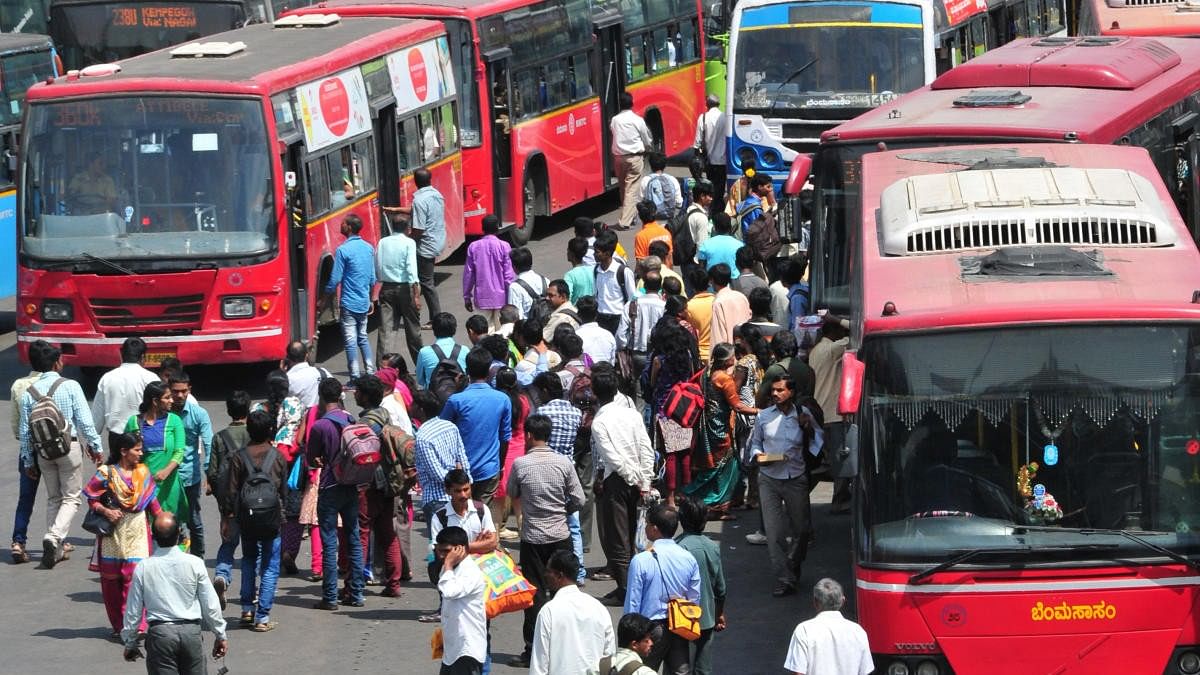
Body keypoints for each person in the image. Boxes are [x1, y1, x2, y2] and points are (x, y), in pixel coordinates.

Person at [506, 414, 586, 666]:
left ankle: (533, 649)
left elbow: (511, 493)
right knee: (564, 591)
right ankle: (567, 645)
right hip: (560, 536)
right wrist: (563, 509)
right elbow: (579, 499)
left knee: (535, 594)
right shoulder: (563, 463)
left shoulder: (520, 464)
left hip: (533, 538)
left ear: (529, 436)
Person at [18, 340, 105, 568]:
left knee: (54, 498)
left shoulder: (29, 393)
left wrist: (28, 459)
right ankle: (54, 537)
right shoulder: (71, 386)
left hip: (43, 452)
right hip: (69, 447)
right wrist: (96, 447)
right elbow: (85, 422)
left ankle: (55, 549)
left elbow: (26, 431)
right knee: (72, 498)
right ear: (57, 363)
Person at [120, 512, 228, 673]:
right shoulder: (195, 564)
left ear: (153, 536)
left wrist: (130, 642)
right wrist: (220, 635)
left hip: (160, 636)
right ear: (179, 534)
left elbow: (133, 610)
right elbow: (210, 604)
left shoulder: (143, 567)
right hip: (191, 634)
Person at [750, 376, 822, 597]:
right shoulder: (763, 416)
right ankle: (784, 578)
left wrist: (807, 428)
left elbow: (818, 441)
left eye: (780, 390)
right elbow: (755, 443)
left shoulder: (803, 414)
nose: (775, 394)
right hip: (769, 478)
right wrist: (758, 455)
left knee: (801, 531)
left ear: (790, 392)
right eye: (773, 390)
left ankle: (793, 563)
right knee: (775, 534)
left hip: (795, 477)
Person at [85, 432, 162, 637]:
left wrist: (164, 522)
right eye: (137, 449)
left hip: (137, 530)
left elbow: (152, 502)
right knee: (111, 583)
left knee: (135, 578)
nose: (141, 453)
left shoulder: (143, 473)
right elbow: (92, 499)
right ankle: (119, 627)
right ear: (123, 451)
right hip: (112, 534)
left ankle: (137, 626)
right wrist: (106, 511)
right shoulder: (105, 473)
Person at [591, 367, 655, 606]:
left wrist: (635, 478)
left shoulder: (600, 422)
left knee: (618, 539)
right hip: (635, 479)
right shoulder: (632, 414)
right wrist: (644, 480)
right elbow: (646, 449)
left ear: (596, 393)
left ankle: (628, 590)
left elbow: (613, 459)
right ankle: (629, 587)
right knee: (630, 534)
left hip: (617, 481)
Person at [221, 409, 287, 631]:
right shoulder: (277, 456)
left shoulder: (239, 456)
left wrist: (228, 517)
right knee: (269, 565)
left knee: (248, 559)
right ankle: (263, 617)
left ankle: (247, 609)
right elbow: (284, 490)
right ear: (271, 430)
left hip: (246, 519)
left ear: (249, 430)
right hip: (271, 518)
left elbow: (231, 491)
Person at [306, 377, 365, 610]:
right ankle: (357, 593)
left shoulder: (320, 426)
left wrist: (321, 458)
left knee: (329, 541)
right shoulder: (349, 418)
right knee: (353, 537)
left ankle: (330, 597)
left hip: (330, 487)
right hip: (350, 484)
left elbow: (312, 458)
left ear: (321, 397)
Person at [624, 503, 702, 674]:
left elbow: (633, 601)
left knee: (643, 671)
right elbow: (694, 598)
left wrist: (629, 637)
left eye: (647, 524)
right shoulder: (688, 558)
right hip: (680, 626)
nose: (645, 527)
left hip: (649, 630)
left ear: (654, 528)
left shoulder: (641, 560)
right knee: (680, 671)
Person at [348, 375, 406, 598]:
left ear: (363, 395)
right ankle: (393, 585)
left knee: (362, 533)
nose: (355, 394)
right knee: (387, 533)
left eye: (357, 391)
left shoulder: (365, 425)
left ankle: (356, 586)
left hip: (370, 484)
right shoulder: (384, 415)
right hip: (389, 483)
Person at [685, 343, 757, 520]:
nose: (735, 359)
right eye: (733, 356)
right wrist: (760, 411)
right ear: (728, 360)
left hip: (710, 425)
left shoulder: (708, 372)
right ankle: (704, 500)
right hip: (721, 429)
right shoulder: (725, 379)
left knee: (714, 468)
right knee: (727, 469)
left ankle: (714, 505)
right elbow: (738, 406)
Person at [440, 347, 513, 506]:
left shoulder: (456, 400)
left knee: (462, 517)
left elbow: (441, 430)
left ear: (466, 370)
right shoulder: (503, 399)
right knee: (481, 517)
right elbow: (505, 437)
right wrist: (499, 466)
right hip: (489, 470)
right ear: (489, 371)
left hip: (461, 473)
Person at [529, 550, 616, 675]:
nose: (545, 575)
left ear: (559, 575)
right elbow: (609, 655)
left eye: (548, 571)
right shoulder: (598, 608)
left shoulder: (549, 611)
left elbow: (539, 664)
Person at [126, 382, 188, 543]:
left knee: (169, 527)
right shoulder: (134, 422)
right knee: (145, 529)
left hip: (169, 486)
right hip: (143, 485)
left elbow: (179, 451)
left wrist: (167, 471)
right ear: (155, 401)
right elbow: (126, 452)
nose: (171, 401)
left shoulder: (174, 421)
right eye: (167, 398)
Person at [648, 318, 701, 507]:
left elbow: (653, 383)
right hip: (685, 408)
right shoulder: (687, 355)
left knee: (670, 454)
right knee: (685, 453)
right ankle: (684, 494)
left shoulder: (659, 360)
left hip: (665, 410)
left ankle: (669, 497)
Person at [207, 390, 252, 608]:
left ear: (228, 411)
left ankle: (222, 576)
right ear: (249, 409)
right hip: (254, 502)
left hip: (229, 503)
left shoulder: (219, 438)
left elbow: (213, 474)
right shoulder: (255, 434)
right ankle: (249, 592)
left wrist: (223, 508)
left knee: (228, 542)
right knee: (253, 551)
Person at [675, 496, 727, 675]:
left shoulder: (677, 547)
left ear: (681, 520)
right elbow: (720, 589)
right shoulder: (712, 546)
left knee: (679, 664)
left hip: (679, 617)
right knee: (702, 666)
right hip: (705, 615)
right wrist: (719, 613)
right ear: (705, 521)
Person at [323, 213, 378, 382]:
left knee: (350, 340)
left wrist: (323, 299)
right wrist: (369, 299)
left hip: (348, 303)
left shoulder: (342, 250)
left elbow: (335, 279)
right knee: (362, 337)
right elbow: (372, 278)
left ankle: (354, 376)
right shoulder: (368, 248)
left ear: (348, 227)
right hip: (363, 301)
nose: (341, 225)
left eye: (343, 223)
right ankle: (370, 372)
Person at [388, 167, 445, 324]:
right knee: (426, 281)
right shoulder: (436, 195)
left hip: (425, 246)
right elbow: (417, 211)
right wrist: (396, 209)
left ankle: (435, 319)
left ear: (415, 182)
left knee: (426, 283)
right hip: (437, 241)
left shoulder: (419, 200)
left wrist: (407, 241)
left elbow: (418, 229)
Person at [783, 579, 874, 675]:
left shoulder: (804, 630)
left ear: (815, 602)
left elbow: (798, 671)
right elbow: (865, 670)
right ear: (843, 601)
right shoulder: (858, 631)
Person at [412, 392, 471, 536]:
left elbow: (438, 474)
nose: (410, 406)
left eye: (413, 404)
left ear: (420, 409)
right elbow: (463, 459)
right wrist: (464, 486)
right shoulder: (450, 426)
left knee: (440, 548)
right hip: (458, 496)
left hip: (436, 500)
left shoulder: (423, 436)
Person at [169, 371, 213, 559]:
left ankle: (198, 560)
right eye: (175, 391)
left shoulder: (198, 414)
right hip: (167, 478)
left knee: (194, 520)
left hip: (190, 477)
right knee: (169, 520)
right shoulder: (164, 412)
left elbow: (209, 443)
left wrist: (209, 475)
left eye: (183, 391)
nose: (179, 395)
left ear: (189, 390)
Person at [810, 315, 851, 512]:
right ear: (833, 332)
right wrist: (841, 321)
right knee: (840, 460)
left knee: (826, 459)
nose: (844, 333)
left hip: (819, 412)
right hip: (833, 415)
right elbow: (858, 331)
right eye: (840, 331)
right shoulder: (833, 349)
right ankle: (839, 500)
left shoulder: (816, 350)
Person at [434, 526, 488, 675]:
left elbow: (449, 591)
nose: (441, 556)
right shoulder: (452, 567)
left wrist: (448, 564)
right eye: (439, 550)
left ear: (460, 549)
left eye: (446, 551)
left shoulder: (470, 572)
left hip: (466, 648)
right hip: (452, 646)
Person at [92, 337, 161, 450]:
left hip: (116, 439)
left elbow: (97, 416)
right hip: (143, 436)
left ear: (121, 354)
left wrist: (93, 442)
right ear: (143, 357)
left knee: (118, 468)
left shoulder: (107, 378)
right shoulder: (150, 378)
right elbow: (160, 409)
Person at [10, 357, 45, 564]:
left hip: (28, 450)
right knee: (57, 499)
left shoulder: (19, 385)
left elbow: (16, 424)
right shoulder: (60, 384)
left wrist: (25, 447)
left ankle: (18, 541)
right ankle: (56, 540)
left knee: (25, 499)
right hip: (53, 452)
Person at [376, 213, 423, 363]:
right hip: (405, 289)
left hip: (386, 288)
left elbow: (378, 265)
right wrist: (416, 295)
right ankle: (420, 364)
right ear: (408, 229)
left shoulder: (382, 242)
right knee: (413, 329)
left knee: (386, 330)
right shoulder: (409, 243)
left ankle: (383, 367)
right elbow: (411, 269)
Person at [492, 367, 532, 542]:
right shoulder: (523, 401)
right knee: (520, 503)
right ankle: (526, 537)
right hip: (520, 450)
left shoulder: (497, 401)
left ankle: (495, 538)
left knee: (498, 502)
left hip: (502, 453)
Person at [463, 214, 515, 331]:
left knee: (484, 332)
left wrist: (467, 296)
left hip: (482, 298)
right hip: (502, 298)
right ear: (497, 228)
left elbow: (469, 274)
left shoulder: (473, 247)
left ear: (482, 228)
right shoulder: (504, 246)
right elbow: (508, 275)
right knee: (502, 332)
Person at [617, 271, 666, 394]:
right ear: (660, 287)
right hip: (658, 355)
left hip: (637, 354)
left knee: (638, 391)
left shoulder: (632, 305)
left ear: (644, 286)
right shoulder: (664, 306)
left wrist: (624, 348)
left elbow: (621, 333)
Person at [611, 91, 654, 229]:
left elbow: (614, 133)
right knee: (631, 189)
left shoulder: (615, 120)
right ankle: (625, 222)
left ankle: (631, 216)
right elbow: (646, 138)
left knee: (623, 188)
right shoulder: (638, 120)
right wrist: (648, 147)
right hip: (634, 158)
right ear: (632, 104)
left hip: (618, 158)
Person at [594, 230, 637, 334]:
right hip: (600, 318)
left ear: (607, 253)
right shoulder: (596, 270)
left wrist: (631, 321)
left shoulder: (623, 271)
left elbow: (633, 298)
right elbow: (596, 293)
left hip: (618, 319)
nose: (594, 255)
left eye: (597, 252)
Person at [416, 312, 470, 388]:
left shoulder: (424, 352)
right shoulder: (465, 350)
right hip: (459, 396)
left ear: (434, 330)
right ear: (454, 330)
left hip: (434, 397)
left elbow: (420, 380)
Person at [693, 94, 728, 208]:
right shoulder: (726, 117)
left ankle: (711, 208)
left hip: (709, 160)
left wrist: (697, 161)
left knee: (710, 186)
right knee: (721, 187)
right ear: (718, 104)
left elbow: (697, 143)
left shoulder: (703, 117)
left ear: (707, 104)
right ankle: (719, 208)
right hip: (723, 160)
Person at [709, 263, 752, 348]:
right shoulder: (741, 296)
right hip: (746, 349)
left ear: (712, 280)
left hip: (729, 353)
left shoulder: (718, 302)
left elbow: (718, 335)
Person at [696, 213, 744, 278]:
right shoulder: (740, 245)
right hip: (735, 284)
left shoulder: (706, 244)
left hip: (713, 284)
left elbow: (701, 269)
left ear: (715, 227)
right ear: (730, 226)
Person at [640, 152, 683, 224]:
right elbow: (679, 203)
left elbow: (641, 201)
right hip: (669, 221)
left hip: (651, 221)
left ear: (650, 165)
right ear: (665, 165)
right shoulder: (672, 180)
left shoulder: (645, 180)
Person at [685, 266, 716, 363]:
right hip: (717, 352)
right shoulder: (717, 302)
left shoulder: (688, 307)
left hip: (699, 355)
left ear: (692, 286)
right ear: (709, 283)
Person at [508, 246, 548, 320]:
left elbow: (516, 315)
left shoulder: (514, 287)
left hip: (529, 328)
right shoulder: (545, 280)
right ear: (531, 263)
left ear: (514, 266)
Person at [576, 296, 618, 365]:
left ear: (578, 315)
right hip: (605, 374)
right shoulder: (609, 335)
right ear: (596, 315)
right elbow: (612, 362)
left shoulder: (576, 336)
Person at [282, 340, 325, 408]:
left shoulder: (287, 379)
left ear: (287, 357)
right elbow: (340, 394)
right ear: (306, 355)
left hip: (299, 417)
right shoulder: (322, 372)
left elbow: (279, 401)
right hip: (320, 416)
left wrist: (281, 374)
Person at [735, 173, 777, 238]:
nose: (770, 189)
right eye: (768, 187)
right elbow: (758, 229)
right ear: (760, 187)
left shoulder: (747, 201)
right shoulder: (755, 207)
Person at [565, 236, 596, 303]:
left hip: (578, 311)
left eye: (567, 250)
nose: (566, 252)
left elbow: (567, 298)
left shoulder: (570, 275)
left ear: (571, 254)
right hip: (593, 309)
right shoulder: (593, 270)